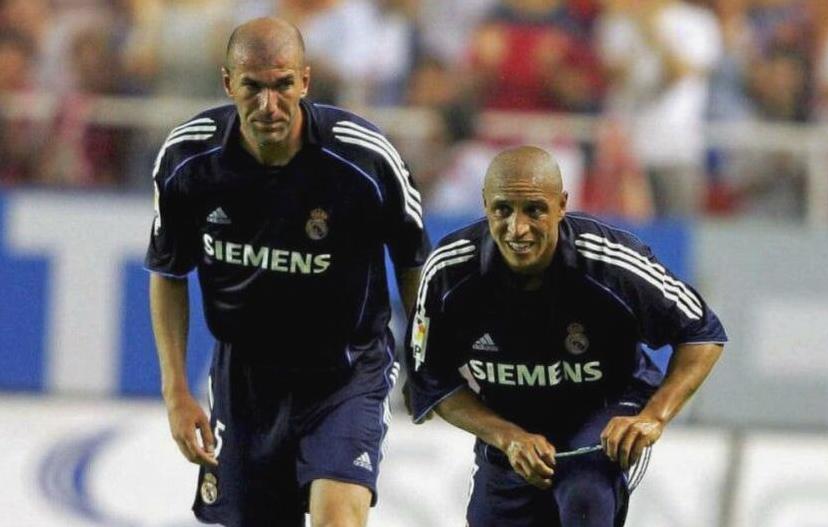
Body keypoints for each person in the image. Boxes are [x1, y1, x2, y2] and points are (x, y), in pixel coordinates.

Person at [145, 17, 430, 527]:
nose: (268, 105)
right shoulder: (189, 160)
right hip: (245, 382)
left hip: (346, 375)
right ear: (228, 82)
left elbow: (413, 262)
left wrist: (423, 358)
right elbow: (168, 273)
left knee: (336, 520)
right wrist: (176, 393)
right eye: (252, 87)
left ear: (305, 81)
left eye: (282, 86)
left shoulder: (363, 159)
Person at [405, 146, 726, 526]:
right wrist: (507, 436)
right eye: (503, 210)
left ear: (562, 205)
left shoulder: (611, 263)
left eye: (535, 210)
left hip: (603, 417)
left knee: (585, 495)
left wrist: (654, 416)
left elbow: (702, 332)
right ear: (485, 205)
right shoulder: (450, 272)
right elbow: (431, 379)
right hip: (512, 429)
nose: (517, 228)